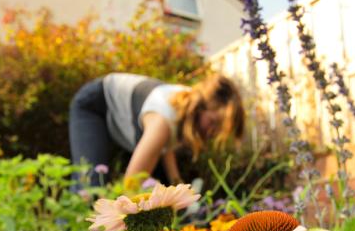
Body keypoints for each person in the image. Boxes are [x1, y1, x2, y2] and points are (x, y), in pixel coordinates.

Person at [69, 72, 244, 187]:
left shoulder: (185, 105)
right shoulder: (163, 119)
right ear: (199, 108)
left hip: (118, 115)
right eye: (213, 122)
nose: (214, 132)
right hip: (93, 105)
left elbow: (164, 147)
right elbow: (131, 183)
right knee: (88, 184)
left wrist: (177, 185)